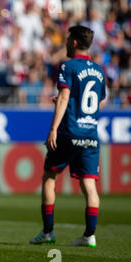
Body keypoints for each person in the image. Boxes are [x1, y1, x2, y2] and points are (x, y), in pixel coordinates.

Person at [30, 25, 106, 247]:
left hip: (69, 132)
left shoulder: (68, 66)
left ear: (73, 42)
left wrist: (53, 128)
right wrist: (71, 102)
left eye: (67, 39)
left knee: (49, 178)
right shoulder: (99, 70)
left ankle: (48, 232)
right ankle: (89, 235)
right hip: (91, 135)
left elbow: (64, 96)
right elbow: (97, 101)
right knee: (89, 185)